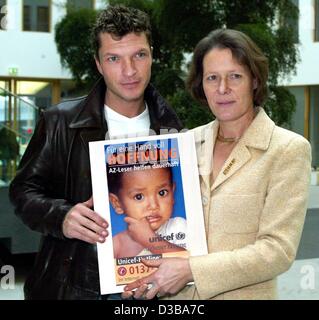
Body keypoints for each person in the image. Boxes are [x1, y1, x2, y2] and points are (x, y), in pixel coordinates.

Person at [8, 5, 182, 300]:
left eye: (139, 55)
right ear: (99, 64)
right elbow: (22, 192)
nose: (129, 71)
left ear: (152, 55)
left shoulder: (174, 129)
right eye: (114, 58)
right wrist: (62, 216)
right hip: (76, 287)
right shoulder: (60, 122)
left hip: (151, 290)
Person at [123, 29, 312, 300]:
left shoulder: (287, 150)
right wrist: (134, 274)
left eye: (235, 76)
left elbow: (277, 251)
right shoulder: (183, 144)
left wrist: (191, 270)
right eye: (212, 78)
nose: (222, 89)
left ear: (255, 81)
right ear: (202, 85)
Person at [108, 166, 187, 259]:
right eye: (139, 197)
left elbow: (192, 264)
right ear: (117, 203)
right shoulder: (117, 245)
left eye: (162, 193)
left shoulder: (178, 226)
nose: (153, 206)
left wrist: (149, 240)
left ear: (172, 193)